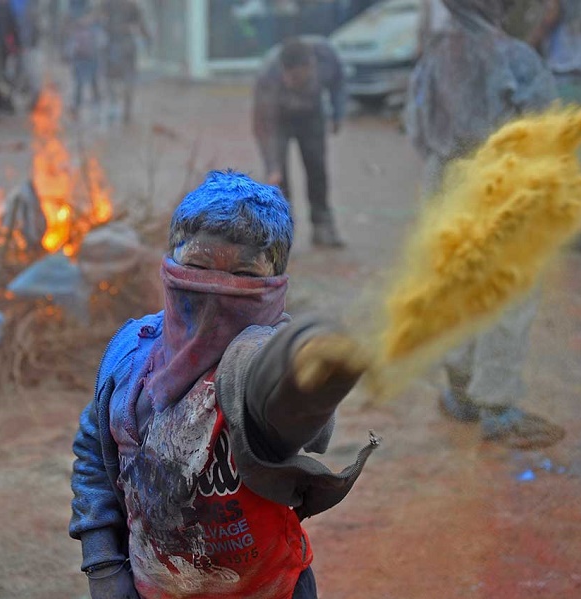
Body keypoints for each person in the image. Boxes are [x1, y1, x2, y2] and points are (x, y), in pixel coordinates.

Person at [69, 170, 378, 599]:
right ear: (171, 266)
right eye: (197, 267)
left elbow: (282, 402)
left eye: (244, 273)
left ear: (274, 287)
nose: (218, 290)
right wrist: (103, 563)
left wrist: (310, 369)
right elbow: (93, 450)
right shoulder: (131, 359)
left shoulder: (256, 360)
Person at [405, 0, 565, 449]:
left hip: (445, 179)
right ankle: (496, 404)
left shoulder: (435, 58)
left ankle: (460, 390)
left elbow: (416, 126)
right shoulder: (516, 57)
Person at [528, 0, 581, 252]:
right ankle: (579, 229)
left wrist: (529, 44)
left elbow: (552, 13)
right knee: (580, 157)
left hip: (567, 72)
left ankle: (569, 229)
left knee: (564, 156)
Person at [253, 36, 346, 248]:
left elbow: (339, 83)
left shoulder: (327, 59)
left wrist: (338, 113)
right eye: (288, 77)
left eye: (296, 78)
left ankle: (322, 225)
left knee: (317, 168)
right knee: (279, 178)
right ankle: (281, 230)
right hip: (278, 120)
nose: (291, 83)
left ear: (310, 67)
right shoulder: (268, 75)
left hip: (312, 117)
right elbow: (264, 125)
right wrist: (272, 166)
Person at [101, 0, 149, 125]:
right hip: (124, 44)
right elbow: (141, 25)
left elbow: (98, 18)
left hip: (114, 44)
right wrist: (147, 38)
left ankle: (116, 107)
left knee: (112, 78)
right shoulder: (131, 5)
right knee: (126, 78)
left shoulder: (109, 4)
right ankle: (124, 110)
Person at [64, 2, 102, 120]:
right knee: (79, 84)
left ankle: (97, 107)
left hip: (91, 58)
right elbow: (71, 44)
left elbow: (101, 41)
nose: (85, 20)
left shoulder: (94, 28)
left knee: (93, 83)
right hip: (80, 59)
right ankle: (77, 109)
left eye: (87, 17)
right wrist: (69, 54)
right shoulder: (76, 29)